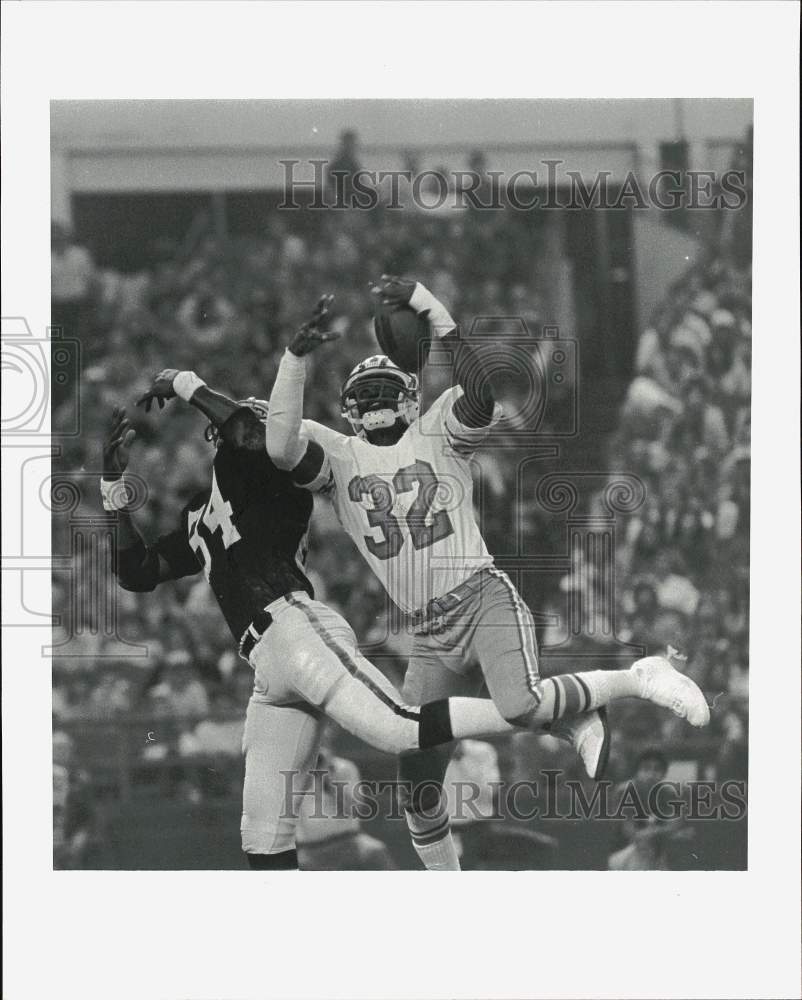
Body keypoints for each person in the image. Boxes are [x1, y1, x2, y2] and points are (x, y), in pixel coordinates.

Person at [264, 278, 711, 870]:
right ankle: (452, 893)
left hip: (479, 598)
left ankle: (636, 677)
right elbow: (276, 445)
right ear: (347, 410)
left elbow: (478, 389)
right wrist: (294, 360)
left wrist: (429, 305)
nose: (373, 402)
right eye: (362, 394)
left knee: (522, 704)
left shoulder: (439, 427)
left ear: (410, 395)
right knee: (417, 781)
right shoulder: (338, 455)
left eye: (382, 390)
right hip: (427, 633)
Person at [105, 300, 543, 871]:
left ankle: (550, 709)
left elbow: (250, 431)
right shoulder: (203, 508)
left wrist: (189, 384)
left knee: (395, 729)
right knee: (262, 831)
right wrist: (113, 487)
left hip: (296, 626)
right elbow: (136, 572)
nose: (240, 430)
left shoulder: (273, 474)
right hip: (267, 663)